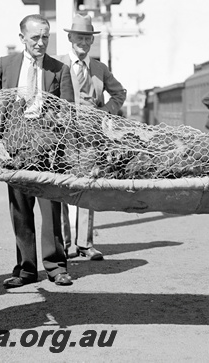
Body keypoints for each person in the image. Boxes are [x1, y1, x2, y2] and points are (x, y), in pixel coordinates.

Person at [0, 14, 76, 287]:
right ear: (22, 39)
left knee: (51, 209)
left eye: (45, 37)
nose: (41, 43)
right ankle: (26, 269)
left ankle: (56, 267)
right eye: (35, 38)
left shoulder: (58, 69)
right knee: (20, 212)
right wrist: (1, 119)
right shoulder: (7, 65)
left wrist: (51, 135)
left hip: (48, 154)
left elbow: (68, 112)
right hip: (14, 152)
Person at [58, 14, 127, 260]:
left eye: (88, 38)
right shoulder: (57, 64)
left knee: (88, 188)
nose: (84, 42)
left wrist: (104, 114)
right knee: (63, 188)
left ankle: (85, 244)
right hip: (63, 139)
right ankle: (64, 245)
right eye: (79, 37)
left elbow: (119, 93)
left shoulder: (99, 68)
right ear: (70, 38)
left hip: (91, 139)